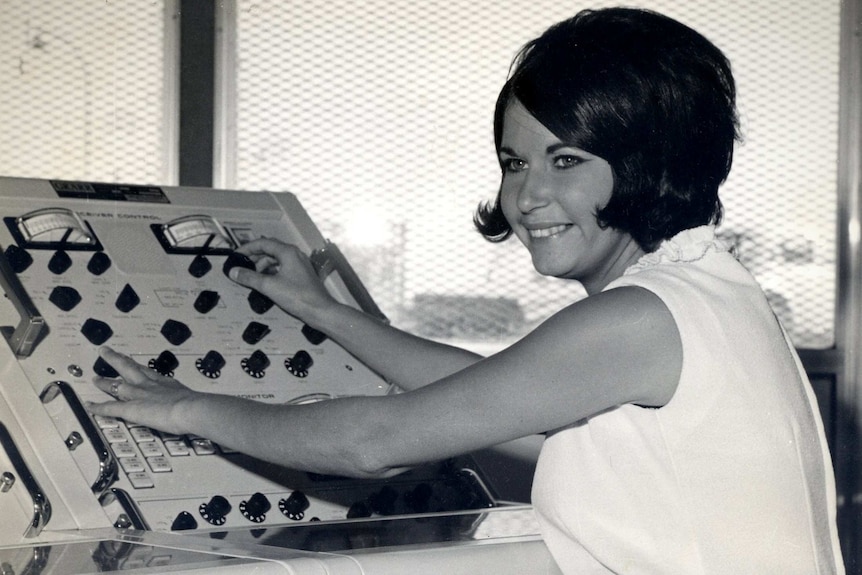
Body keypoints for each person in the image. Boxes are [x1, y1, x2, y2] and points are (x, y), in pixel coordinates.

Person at [87, 7, 845, 573]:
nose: (529, 196)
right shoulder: (708, 287)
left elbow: (372, 442)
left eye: (567, 159)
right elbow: (486, 397)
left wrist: (182, 407)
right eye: (516, 163)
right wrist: (325, 311)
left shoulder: (641, 318)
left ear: (650, 160)